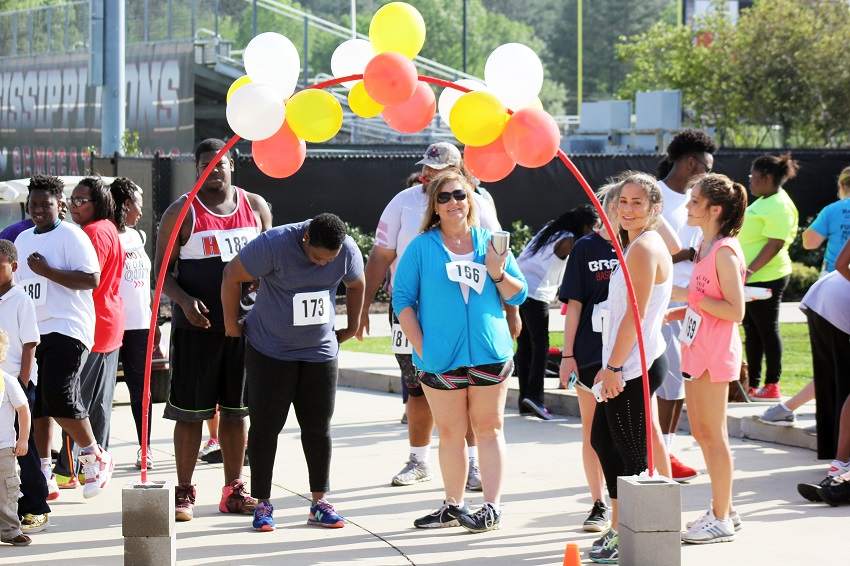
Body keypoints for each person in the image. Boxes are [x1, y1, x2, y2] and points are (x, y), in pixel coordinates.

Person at [356, 142, 505, 491]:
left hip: (464, 311)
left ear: (461, 172)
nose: (432, 176)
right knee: (416, 387)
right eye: (429, 169)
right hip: (410, 311)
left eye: (442, 170)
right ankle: (418, 459)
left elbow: (499, 253)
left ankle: (473, 466)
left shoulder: (477, 201)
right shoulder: (403, 201)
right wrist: (362, 307)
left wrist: (510, 311)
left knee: (466, 387)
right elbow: (379, 256)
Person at [393, 170, 527, 533]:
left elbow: (518, 294)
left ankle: (492, 509)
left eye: (460, 195)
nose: (454, 202)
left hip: (490, 354)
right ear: (434, 207)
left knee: (489, 429)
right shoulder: (421, 247)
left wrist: (498, 273)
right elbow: (402, 300)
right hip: (440, 359)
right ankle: (453, 506)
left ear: (471, 201)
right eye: (444, 197)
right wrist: (422, 346)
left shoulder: (491, 242)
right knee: (451, 432)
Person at [222, 213, 365, 532]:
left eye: (329, 260)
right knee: (265, 428)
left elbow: (357, 283)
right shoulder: (274, 244)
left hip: (319, 353)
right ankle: (262, 503)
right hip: (270, 351)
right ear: (306, 238)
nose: (322, 265)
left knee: (318, 428)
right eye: (317, 257)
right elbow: (232, 274)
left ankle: (319, 503)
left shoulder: (347, 250)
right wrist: (232, 326)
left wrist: (352, 326)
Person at [155, 138, 271, 522]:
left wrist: (260, 285)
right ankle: (184, 491)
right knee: (190, 414)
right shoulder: (181, 212)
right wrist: (185, 302)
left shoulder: (255, 207)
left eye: (220, 163)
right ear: (198, 168)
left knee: (238, 414)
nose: (214, 170)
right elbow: (162, 275)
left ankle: (233, 491)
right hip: (197, 329)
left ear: (232, 165)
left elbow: (271, 263)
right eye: (206, 165)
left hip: (242, 329)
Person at [587, 172, 673, 564]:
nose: (627, 208)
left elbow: (632, 318)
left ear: (654, 208)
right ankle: (620, 529)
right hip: (631, 361)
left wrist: (613, 368)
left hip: (633, 366)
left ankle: (646, 540)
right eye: (623, 201)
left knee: (634, 458)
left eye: (638, 202)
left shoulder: (643, 248)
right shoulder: (637, 244)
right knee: (604, 443)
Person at [14, 174, 113, 500]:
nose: (39, 209)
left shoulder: (72, 236)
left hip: (69, 326)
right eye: (34, 204)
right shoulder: (24, 239)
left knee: (59, 393)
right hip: (34, 331)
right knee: (37, 401)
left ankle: (94, 455)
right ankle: (45, 467)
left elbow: (91, 279)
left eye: (46, 204)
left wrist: (48, 272)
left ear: (60, 205)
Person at [666, 173, 747, 543]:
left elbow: (735, 311)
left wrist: (692, 301)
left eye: (695, 201)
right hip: (696, 349)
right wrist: (680, 310)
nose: (687, 206)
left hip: (714, 354)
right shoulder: (705, 244)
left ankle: (721, 519)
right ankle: (724, 507)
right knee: (701, 432)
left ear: (716, 209)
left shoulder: (725, 250)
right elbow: (703, 298)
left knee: (713, 436)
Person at [759, 166, 850, 425]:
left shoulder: (833, 210)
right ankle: (826, 420)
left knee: (830, 360)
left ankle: (802, 411)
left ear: (841, 186)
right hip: (841, 291)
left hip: (829, 289)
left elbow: (809, 242)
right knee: (837, 362)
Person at [654, 129, 717, 482]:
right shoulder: (655, 196)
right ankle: (657, 452)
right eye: (706, 165)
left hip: (693, 297)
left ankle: (666, 449)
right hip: (660, 297)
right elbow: (642, 246)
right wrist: (689, 252)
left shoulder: (700, 200)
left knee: (678, 378)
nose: (709, 172)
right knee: (659, 376)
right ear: (691, 162)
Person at [53, 177, 125, 485]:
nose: (73, 206)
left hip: (92, 325)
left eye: (81, 201)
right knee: (95, 401)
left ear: (98, 203)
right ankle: (87, 466)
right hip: (107, 322)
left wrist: (47, 271)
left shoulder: (94, 232)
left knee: (74, 401)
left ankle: (75, 468)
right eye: (72, 200)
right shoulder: (108, 228)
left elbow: (85, 277)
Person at [558, 187, 619, 532]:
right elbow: (574, 306)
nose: (621, 210)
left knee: (629, 432)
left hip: (628, 356)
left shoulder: (637, 245)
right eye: (615, 203)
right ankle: (599, 503)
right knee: (593, 433)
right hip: (590, 354)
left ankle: (626, 500)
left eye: (630, 203)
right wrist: (567, 356)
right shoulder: (585, 248)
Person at [516, 205, 598, 420]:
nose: (595, 234)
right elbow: (580, 265)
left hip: (520, 287)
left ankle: (525, 400)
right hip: (535, 291)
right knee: (540, 343)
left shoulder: (553, 229)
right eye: (593, 229)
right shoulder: (570, 239)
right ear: (584, 226)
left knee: (525, 345)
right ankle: (535, 396)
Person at [739, 153, 799, 400]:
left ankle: (772, 384)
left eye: (753, 176)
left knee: (767, 329)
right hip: (751, 278)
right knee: (752, 330)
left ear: (767, 177)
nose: (750, 181)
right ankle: (753, 385)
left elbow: (774, 245)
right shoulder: (764, 200)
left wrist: (749, 270)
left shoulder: (780, 205)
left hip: (767, 277)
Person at [794, 237, 850, 503]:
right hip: (836, 303)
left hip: (824, 296)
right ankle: (839, 476)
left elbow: (841, 263)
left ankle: (839, 472)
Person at [0, 239, 49, 533]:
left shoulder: (20, 299)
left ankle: (37, 505)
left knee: (22, 445)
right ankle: (10, 504)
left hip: (17, 385)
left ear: (14, 267)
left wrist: (22, 382)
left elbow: (30, 344)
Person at [109, 177, 155, 468]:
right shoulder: (105, 233)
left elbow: (144, 284)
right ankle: (90, 453)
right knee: (101, 393)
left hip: (141, 325)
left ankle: (145, 448)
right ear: (127, 204)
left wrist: (155, 321)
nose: (142, 210)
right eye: (139, 203)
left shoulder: (138, 236)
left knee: (142, 390)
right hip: (112, 325)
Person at [0, 329, 32, 546]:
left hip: (3, 449)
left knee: (7, 491)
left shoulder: (7, 381)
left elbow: (23, 410)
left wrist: (23, 439)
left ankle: (10, 530)